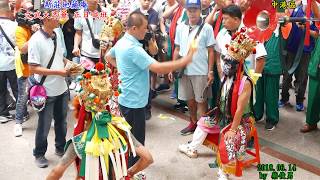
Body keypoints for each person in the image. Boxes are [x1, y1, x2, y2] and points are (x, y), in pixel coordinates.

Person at [105, 11, 196, 167]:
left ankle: (127, 167)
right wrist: (185, 61)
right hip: (134, 101)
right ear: (133, 28)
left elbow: (108, 56)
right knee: (136, 142)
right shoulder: (134, 49)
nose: (146, 31)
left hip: (126, 97)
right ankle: (132, 171)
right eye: (144, 28)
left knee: (128, 137)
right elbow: (159, 68)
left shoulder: (122, 42)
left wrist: (124, 69)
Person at [179, 26, 257, 180]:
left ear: (239, 64)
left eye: (230, 62)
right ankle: (192, 148)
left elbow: (240, 110)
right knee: (203, 122)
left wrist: (233, 129)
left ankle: (224, 170)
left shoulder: (245, 82)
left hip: (241, 120)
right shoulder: (226, 77)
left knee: (230, 137)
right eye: (224, 61)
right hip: (223, 114)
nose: (225, 65)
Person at [28, 9, 70, 168]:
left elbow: (58, 56)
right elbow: (33, 68)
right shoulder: (35, 40)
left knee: (61, 121)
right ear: (45, 20)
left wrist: (68, 64)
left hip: (61, 88)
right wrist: (59, 72)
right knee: (44, 125)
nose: (59, 18)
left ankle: (60, 148)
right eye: (55, 16)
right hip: (45, 91)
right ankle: (39, 153)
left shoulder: (57, 34)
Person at [169, 0, 215, 136]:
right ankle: (193, 123)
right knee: (189, 100)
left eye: (195, 9)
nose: (192, 13)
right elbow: (177, 49)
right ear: (186, 11)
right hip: (184, 71)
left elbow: (211, 51)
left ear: (200, 10)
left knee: (201, 101)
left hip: (201, 71)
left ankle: (203, 131)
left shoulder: (207, 28)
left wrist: (210, 71)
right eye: (190, 10)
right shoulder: (180, 27)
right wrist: (172, 67)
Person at [279, 1, 319, 111]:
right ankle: (283, 98)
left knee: (302, 77)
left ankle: (300, 101)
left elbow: (316, 34)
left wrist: (305, 29)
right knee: (287, 75)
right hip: (291, 48)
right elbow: (285, 14)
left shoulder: (315, 11)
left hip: (305, 50)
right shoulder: (295, 6)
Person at [0, 1, 18, 123]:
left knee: (0, 91)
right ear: (8, 10)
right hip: (12, 63)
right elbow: (20, 45)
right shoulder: (14, 26)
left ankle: (2, 114)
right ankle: (22, 113)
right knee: (17, 89)